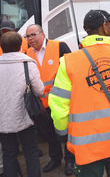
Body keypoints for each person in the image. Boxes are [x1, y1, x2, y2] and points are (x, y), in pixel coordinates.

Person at [48, 9, 110, 177]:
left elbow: (58, 107)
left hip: (85, 147)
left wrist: (65, 137)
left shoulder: (68, 63)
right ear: (105, 26)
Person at [25, 24, 75, 175]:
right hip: (42, 104)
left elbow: (72, 69)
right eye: (27, 36)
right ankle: (55, 158)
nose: (30, 39)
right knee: (49, 134)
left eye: (33, 35)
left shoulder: (60, 46)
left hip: (60, 102)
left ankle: (70, 160)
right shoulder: (26, 53)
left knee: (65, 132)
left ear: (42, 33)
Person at [0, 31, 44, 177]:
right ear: (20, 45)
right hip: (25, 117)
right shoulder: (28, 63)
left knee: (9, 154)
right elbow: (39, 90)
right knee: (31, 152)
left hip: (3, 120)